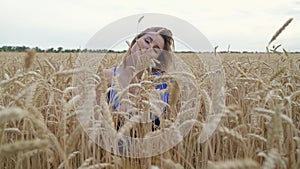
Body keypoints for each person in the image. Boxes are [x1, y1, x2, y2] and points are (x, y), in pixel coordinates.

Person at [103, 27, 176, 135]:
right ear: (135, 41)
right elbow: (94, 122)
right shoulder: (105, 77)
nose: (149, 48)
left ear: (157, 58)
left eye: (156, 49)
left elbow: (167, 125)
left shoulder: (162, 84)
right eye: (147, 41)